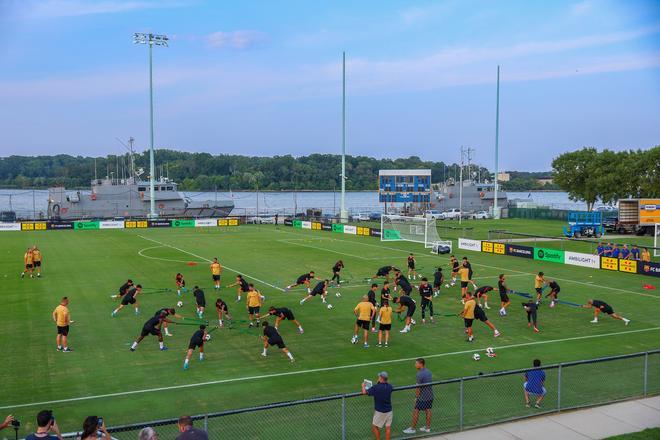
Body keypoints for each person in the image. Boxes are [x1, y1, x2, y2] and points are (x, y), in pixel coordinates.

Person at [403, 358, 433, 435]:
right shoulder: (429, 372)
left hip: (422, 397)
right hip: (430, 395)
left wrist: (416, 397)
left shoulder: (419, 374)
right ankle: (428, 427)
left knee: (416, 411)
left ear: (421, 364)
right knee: (428, 410)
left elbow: (418, 388)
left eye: (416, 363)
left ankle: (412, 428)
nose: (415, 365)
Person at [361, 371, 393, 440]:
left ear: (381, 378)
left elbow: (364, 392)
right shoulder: (390, 386)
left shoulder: (376, 387)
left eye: (379, 377)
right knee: (388, 428)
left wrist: (363, 386)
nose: (378, 377)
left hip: (380, 411)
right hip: (389, 411)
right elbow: (386, 386)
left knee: (374, 426)